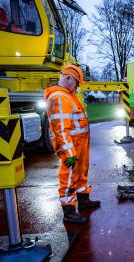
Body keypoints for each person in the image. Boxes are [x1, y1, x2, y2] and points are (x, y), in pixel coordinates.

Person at [44, 65, 100, 224]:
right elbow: (61, 130)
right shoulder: (59, 98)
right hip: (72, 148)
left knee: (81, 174)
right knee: (68, 177)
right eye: (76, 82)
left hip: (79, 145)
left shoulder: (68, 95)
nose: (77, 86)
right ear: (68, 78)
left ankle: (83, 201)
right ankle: (68, 212)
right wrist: (69, 153)